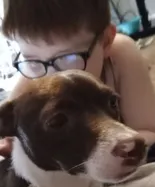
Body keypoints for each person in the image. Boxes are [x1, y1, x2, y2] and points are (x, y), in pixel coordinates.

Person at [1, 0, 155, 157]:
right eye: (33, 61)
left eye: (69, 58)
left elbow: (149, 134)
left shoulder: (121, 56)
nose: (51, 79)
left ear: (106, 41)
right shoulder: (33, 76)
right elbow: (7, 137)